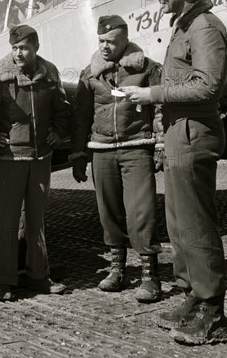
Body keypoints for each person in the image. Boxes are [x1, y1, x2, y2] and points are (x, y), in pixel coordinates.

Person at [121, 0, 227, 345]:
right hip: (177, 136)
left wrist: (151, 93)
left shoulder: (204, 28)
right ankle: (190, 296)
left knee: (197, 225)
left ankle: (212, 311)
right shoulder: (184, 27)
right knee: (180, 225)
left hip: (193, 136)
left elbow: (207, 86)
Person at [0, 24, 70, 300]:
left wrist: (57, 131)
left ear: (35, 47)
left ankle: (39, 276)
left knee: (36, 221)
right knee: (8, 221)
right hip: (9, 159)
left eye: (23, 47)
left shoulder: (49, 74)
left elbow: (62, 109)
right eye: (14, 48)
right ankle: (3, 281)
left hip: (40, 159)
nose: (18, 53)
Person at [70, 15, 164, 303]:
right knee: (108, 212)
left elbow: (160, 108)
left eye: (111, 41)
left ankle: (150, 276)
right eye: (101, 41)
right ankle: (117, 270)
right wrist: (78, 153)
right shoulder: (90, 74)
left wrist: (160, 144)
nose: (105, 47)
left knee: (141, 211)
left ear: (125, 40)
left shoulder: (147, 69)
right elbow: (80, 115)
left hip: (137, 146)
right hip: (101, 149)